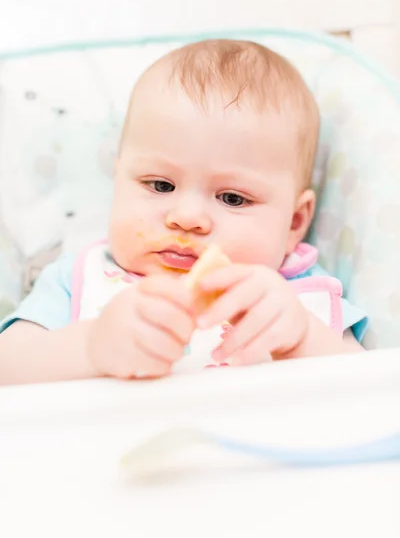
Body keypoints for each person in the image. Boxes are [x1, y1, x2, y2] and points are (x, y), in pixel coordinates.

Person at [0, 39, 367, 385]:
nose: (187, 218)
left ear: (294, 222)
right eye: (160, 185)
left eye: (233, 198)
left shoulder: (301, 298)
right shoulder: (80, 276)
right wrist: (89, 348)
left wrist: (302, 340)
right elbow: (8, 369)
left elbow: (373, 397)